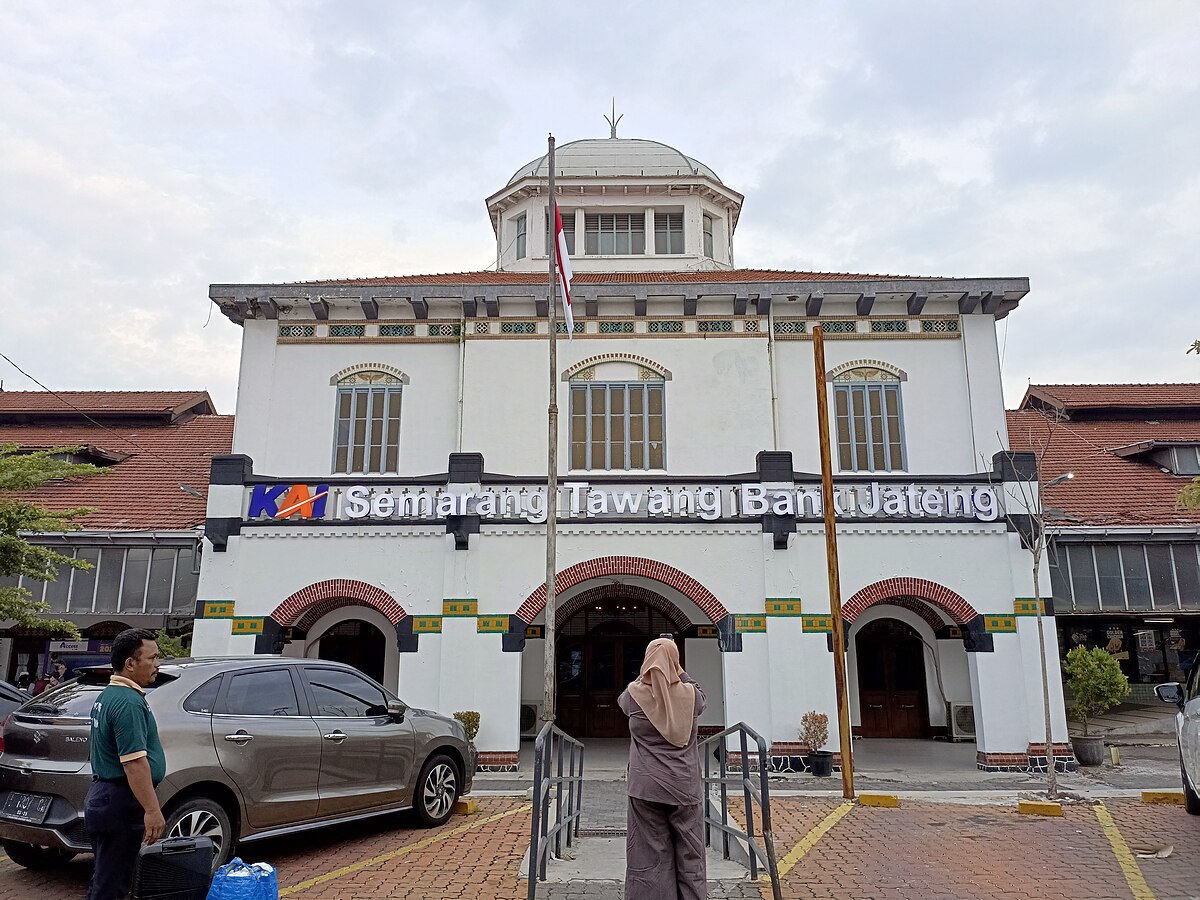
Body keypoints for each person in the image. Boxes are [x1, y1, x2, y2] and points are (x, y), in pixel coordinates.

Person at [618, 637, 708, 900]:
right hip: (684, 787)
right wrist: (679, 671)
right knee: (691, 852)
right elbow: (700, 695)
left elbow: (623, 701)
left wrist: (647, 674)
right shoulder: (692, 696)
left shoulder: (633, 696)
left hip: (645, 787)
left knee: (648, 853)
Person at [84, 628, 166, 900]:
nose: (157, 664)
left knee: (107, 879)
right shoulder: (128, 702)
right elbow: (134, 763)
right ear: (131, 663)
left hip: (106, 798)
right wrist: (152, 810)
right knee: (112, 887)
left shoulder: (109, 695)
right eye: (152, 658)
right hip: (120, 801)